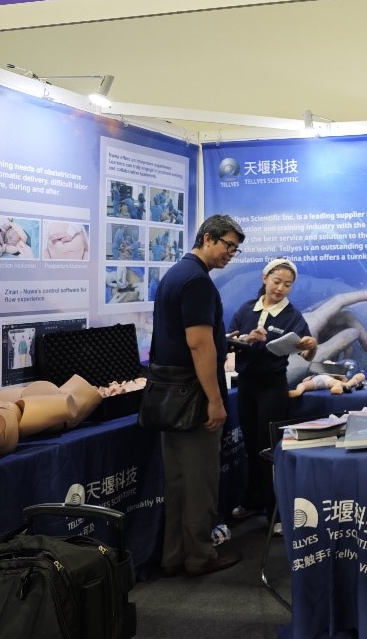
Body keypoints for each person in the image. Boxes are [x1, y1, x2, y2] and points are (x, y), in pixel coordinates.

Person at [151, 213, 244, 577]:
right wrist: (216, 401)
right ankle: (200, 557)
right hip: (194, 397)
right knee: (201, 482)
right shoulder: (197, 282)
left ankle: (173, 556)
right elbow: (199, 344)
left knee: (177, 483)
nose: (231, 254)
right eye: (228, 246)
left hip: (168, 395)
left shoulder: (175, 274)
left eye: (235, 249)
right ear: (207, 238)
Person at [227, 258, 318, 522]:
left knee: (269, 447)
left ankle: (275, 513)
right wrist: (246, 339)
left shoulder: (293, 315)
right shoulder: (246, 309)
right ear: (265, 278)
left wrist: (311, 345)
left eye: (287, 285)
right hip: (246, 385)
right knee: (250, 445)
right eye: (277, 281)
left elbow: (307, 353)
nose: (280, 288)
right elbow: (229, 341)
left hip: (272, 386)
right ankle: (253, 501)